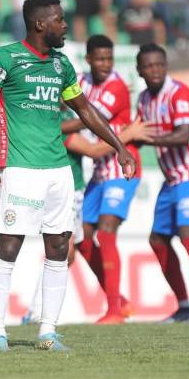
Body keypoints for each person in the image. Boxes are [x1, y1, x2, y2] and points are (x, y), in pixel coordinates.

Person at [0, 0, 135, 352]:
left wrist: (119, 146)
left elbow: (85, 109)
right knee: (9, 245)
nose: (65, 25)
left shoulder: (61, 64)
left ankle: (47, 331)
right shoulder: (5, 58)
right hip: (19, 168)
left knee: (60, 246)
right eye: (60, 20)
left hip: (59, 171)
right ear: (39, 24)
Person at [24, 110, 154, 324]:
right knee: (63, 251)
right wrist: (127, 135)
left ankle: (118, 302)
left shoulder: (59, 115)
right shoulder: (51, 120)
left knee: (77, 246)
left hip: (69, 193)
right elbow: (94, 150)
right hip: (66, 194)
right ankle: (36, 312)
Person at [136, 43, 189, 323]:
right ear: (139, 70)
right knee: (158, 240)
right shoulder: (144, 100)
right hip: (171, 180)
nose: (155, 70)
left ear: (166, 66)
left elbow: (183, 135)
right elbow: (137, 133)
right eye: (148, 66)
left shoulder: (178, 92)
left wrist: (148, 140)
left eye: (159, 65)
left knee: (188, 234)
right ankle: (184, 306)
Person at [70, 35, 142, 324]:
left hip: (122, 168)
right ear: (88, 59)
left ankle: (113, 311)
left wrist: (57, 131)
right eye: (99, 59)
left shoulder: (115, 87)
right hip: (100, 172)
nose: (105, 64)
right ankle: (120, 301)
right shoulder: (80, 82)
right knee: (83, 238)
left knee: (107, 230)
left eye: (109, 59)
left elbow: (86, 123)